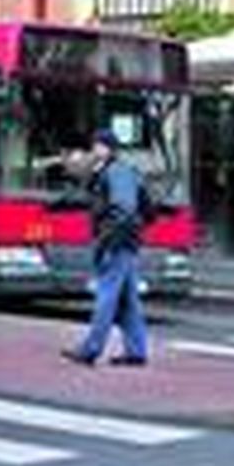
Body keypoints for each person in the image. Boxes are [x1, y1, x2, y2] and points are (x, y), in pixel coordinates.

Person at [63, 129, 150, 368]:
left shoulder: (116, 172)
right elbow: (147, 209)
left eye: (95, 146)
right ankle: (136, 351)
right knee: (128, 300)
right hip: (126, 241)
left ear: (104, 148)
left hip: (117, 242)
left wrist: (106, 239)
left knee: (106, 296)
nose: (92, 150)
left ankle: (90, 349)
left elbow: (123, 210)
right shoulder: (118, 171)